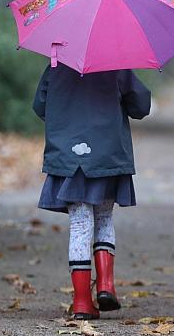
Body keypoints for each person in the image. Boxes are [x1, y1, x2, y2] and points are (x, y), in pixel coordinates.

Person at [33, 63, 151, 319]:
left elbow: (40, 106)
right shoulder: (116, 64)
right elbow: (141, 106)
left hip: (69, 157)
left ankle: (82, 302)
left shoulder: (56, 64)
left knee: (80, 225)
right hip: (106, 156)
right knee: (104, 218)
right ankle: (106, 285)